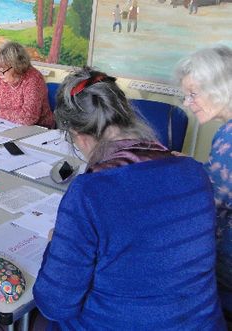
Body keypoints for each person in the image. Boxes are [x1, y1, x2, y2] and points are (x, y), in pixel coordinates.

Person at [33, 67, 225, 329]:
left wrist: (56, 244)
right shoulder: (194, 172)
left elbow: (55, 303)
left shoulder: (89, 193)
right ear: (126, 115)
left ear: (79, 136)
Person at [175, 46, 232, 305]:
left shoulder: (228, 139)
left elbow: (208, 207)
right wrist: (194, 165)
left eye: (193, 94)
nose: (188, 103)